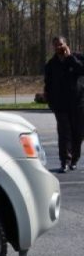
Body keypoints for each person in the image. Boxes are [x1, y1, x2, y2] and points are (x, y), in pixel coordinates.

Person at [43, 36, 84, 172]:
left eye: (60, 44)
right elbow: (47, 85)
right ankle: (64, 161)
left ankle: (74, 160)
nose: (58, 47)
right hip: (60, 106)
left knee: (77, 133)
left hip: (78, 104)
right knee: (64, 133)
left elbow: (81, 70)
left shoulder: (77, 58)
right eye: (55, 45)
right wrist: (51, 103)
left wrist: (70, 58)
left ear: (66, 44)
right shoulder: (51, 64)